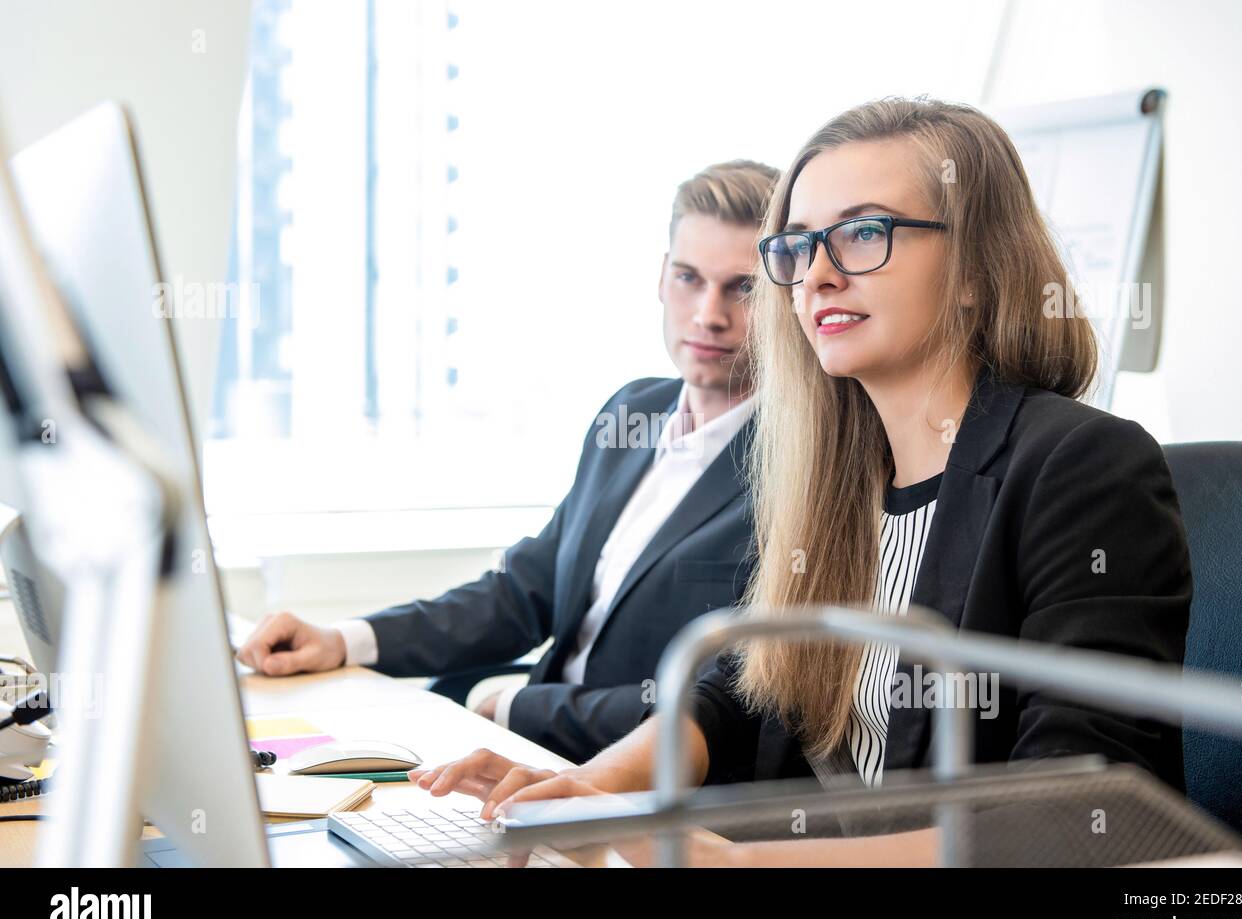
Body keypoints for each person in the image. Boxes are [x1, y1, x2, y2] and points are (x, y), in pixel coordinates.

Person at [412, 97, 1192, 866]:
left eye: (862, 233)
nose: (815, 275)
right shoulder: (836, 476)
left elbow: (1084, 817)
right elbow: (746, 688)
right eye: (797, 245)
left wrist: (738, 865)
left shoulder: (1082, 466)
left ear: (975, 272)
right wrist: (585, 791)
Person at [237, 159, 780, 763]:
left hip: (627, 779)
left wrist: (516, 707)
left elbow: (733, 702)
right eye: (688, 278)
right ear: (660, 278)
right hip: (528, 753)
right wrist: (342, 640)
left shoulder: (795, 470)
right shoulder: (632, 412)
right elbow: (525, 591)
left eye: (743, 288)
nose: (708, 314)